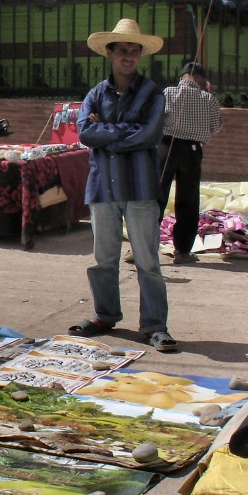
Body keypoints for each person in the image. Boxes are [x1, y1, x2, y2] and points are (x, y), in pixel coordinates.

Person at [69, 18, 178, 353]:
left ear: (140, 55)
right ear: (110, 53)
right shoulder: (95, 94)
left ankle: (154, 326)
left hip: (142, 188)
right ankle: (105, 315)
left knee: (148, 261)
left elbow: (150, 134)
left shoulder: (152, 94)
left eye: (134, 51)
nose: (128, 57)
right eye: (123, 51)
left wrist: (109, 132)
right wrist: (126, 130)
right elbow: (85, 132)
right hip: (102, 188)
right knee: (103, 258)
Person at [160, 62, 223, 264]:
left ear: (182, 77)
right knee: (187, 201)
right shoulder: (209, 99)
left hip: (165, 149)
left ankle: (143, 249)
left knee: (156, 197)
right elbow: (216, 127)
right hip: (191, 151)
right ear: (202, 81)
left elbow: (156, 119)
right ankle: (183, 251)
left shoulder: (168, 93)